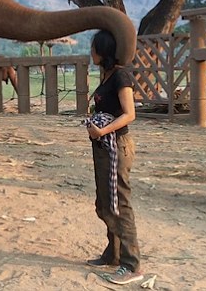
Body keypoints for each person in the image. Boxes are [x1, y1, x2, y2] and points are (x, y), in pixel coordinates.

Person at [85, 30, 143, 285]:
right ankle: (114, 253)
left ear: (103, 50)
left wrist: (103, 130)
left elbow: (129, 114)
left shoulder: (121, 75)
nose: (91, 53)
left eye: (93, 48)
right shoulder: (107, 75)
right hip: (103, 147)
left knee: (120, 202)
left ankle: (131, 265)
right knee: (105, 202)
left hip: (116, 145)